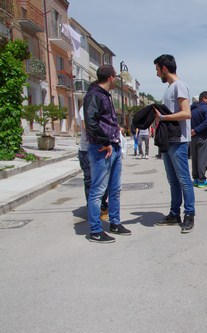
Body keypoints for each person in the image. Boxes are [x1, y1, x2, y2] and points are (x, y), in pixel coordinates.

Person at [83, 64, 131, 243]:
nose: (116, 80)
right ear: (111, 77)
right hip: (102, 149)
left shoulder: (104, 95)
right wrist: (105, 141)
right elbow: (91, 122)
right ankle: (95, 230)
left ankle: (115, 223)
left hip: (114, 146)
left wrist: (115, 129)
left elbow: (101, 121)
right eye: (116, 77)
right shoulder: (94, 95)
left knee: (115, 189)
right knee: (98, 190)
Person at [153, 54, 195, 234]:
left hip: (179, 142)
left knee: (184, 180)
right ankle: (174, 213)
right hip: (168, 141)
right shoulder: (170, 88)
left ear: (164, 68)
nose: (156, 75)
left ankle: (189, 214)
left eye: (157, 70)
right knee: (173, 181)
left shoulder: (179, 86)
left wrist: (163, 117)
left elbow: (186, 113)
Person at [76, 106, 109, 222]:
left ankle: (102, 205)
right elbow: (87, 126)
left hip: (104, 148)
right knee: (90, 180)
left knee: (104, 181)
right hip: (87, 150)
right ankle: (94, 210)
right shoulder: (85, 107)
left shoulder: (103, 106)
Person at [191, 91, 207, 188]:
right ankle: (202, 180)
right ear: (204, 98)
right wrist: (197, 130)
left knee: (195, 158)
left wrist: (192, 131)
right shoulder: (206, 108)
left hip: (192, 137)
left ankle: (195, 178)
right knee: (202, 159)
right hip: (203, 136)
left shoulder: (192, 108)